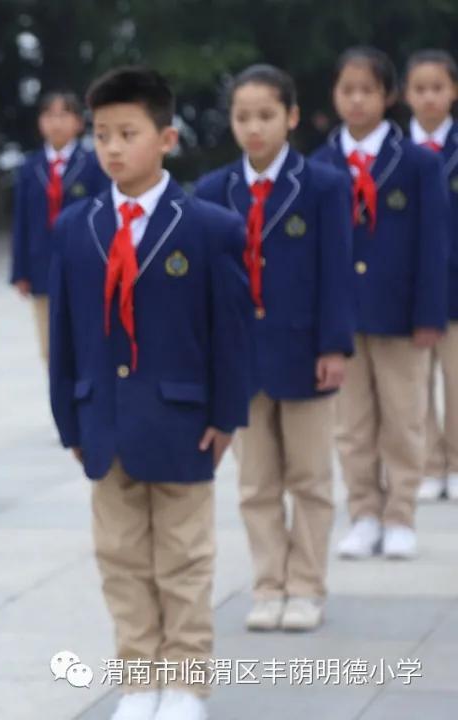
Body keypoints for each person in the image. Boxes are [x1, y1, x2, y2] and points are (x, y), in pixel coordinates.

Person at [48, 66, 251, 720]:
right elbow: (67, 333)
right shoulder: (77, 225)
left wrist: (226, 415)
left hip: (183, 419)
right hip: (103, 420)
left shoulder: (210, 226)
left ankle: (186, 680)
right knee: (121, 559)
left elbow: (230, 331)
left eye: (127, 133)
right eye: (102, 134)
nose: (111, 147)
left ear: (166, 138)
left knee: (186, 560)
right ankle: (139, 679)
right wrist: (69, 420)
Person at [195, 65, 354, 633]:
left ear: (290, 116)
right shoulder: (214, 191)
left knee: (310, 477)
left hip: (307, 351)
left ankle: (307, 586)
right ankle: (268, 585)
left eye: (266, 115)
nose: (254, 127)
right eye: (243, 117)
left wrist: (335, 346)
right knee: (256, 481)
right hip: (241, 359)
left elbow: (337, 272)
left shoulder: (325, 185)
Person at [310, 47, 449, 560]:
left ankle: (401, 514)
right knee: (352, 423)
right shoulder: (320, 165)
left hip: (400, 314)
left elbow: (434, 244)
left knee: (403, 416)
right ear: (334, 95)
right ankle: (364, 512)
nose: (357, 100)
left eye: (367, 90)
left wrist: (430, 313)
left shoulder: (417, 163)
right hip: (342, 317)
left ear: (388, 96)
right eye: (347, 90)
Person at [10, 90, 109, 362]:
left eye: (64, 115)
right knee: (50, 347)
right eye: (49, 115)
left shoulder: (94, 164)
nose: (56, 122)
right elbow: (22, 221)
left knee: (85, 342)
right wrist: (20, 270)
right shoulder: (30, 167)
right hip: (43, 268)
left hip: (84, 265)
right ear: (40, 123)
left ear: (79, 122)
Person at [404, 49, 458, 502]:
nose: (429, 98)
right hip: (408, 289)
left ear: (453, 91)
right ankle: (427, 465)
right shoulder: (393, 153)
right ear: (405, 94)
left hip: (456, 286)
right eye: (420, 89)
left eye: (437, 88)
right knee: (414, 384)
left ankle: (456, 464)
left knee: (456, 381)